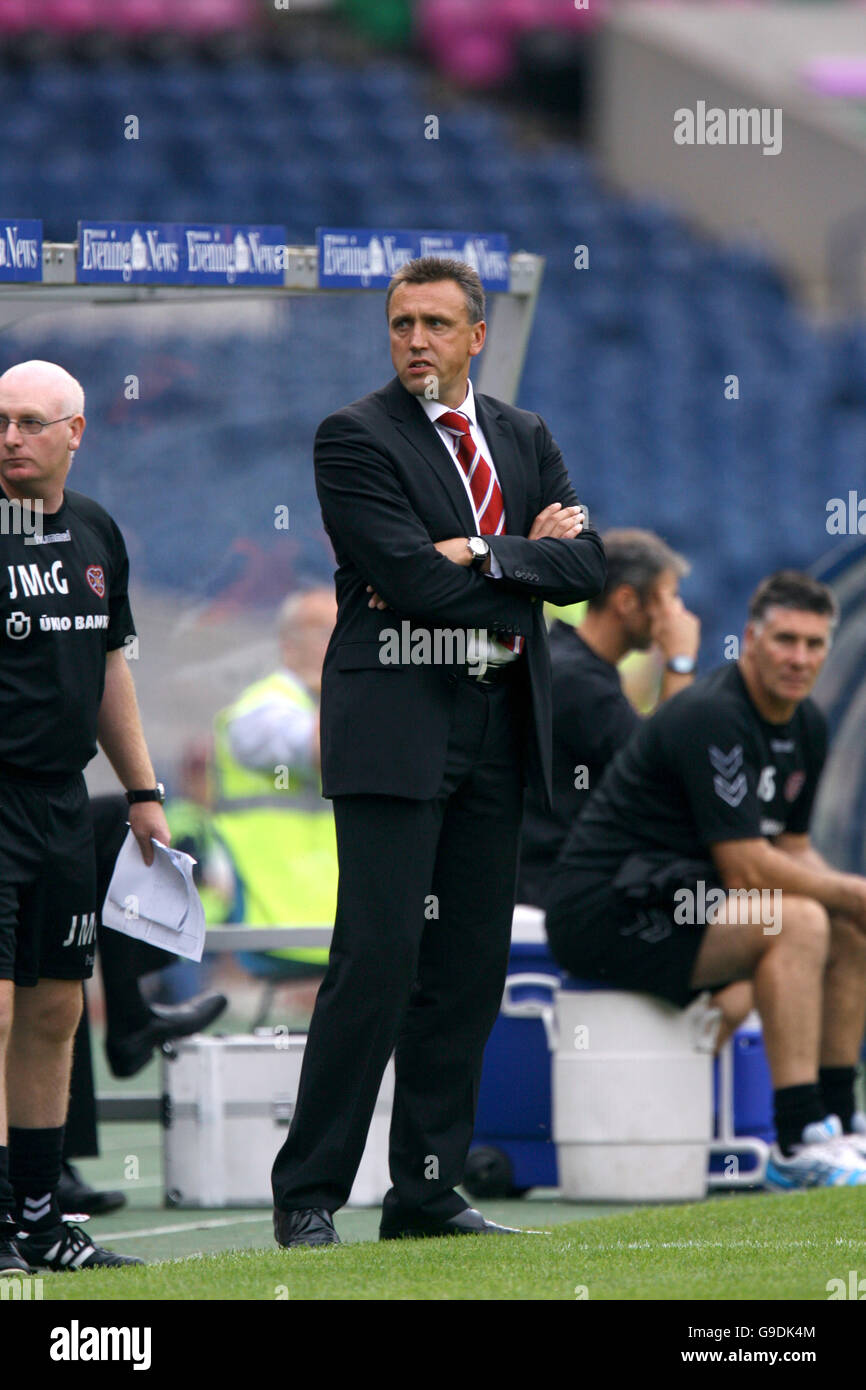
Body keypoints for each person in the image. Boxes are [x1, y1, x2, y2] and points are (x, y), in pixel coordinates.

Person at [271, 256, 606, 1247]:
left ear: (475, 336)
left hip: (498, 725)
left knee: (466, 967)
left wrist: (480, 551)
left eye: (433, 323)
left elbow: (586, 563)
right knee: (375, 959)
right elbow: (411, 587)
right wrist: (515, 559)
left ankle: (422, 1191)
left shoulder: (523, 433)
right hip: (397, 724)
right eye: (399, 322)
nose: (413, 339)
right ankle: (308, 1195)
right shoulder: (353, 436)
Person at [545, 570, 866, 1188]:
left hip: (684, 899)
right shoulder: (713, 714)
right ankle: (797, 1142)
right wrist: (853, 891)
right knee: (796, 919)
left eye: (814, 644)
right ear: (750, 638)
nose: (800, 658)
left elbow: (793, 849)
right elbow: (747, 866)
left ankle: (838, 1123)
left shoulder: (809, 727)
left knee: (844, 925)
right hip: (607, 908)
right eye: (785, 641)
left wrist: (851, 903)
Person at [0, 360, 169, 1274]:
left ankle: (39, 1222)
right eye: (0, 422)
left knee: (57, 1010)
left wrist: (142, 793)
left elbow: (110, 668)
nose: (11, 438)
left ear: (75, 433)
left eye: (31, 422)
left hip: (63, 804)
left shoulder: (96, 531)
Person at [212, 587, 338, 1018]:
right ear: (289, 644)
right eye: (328, 631)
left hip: (346, 921)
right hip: (283, 924)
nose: (344, 640)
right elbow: (333, 748)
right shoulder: (260, 711)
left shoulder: (323, 703)